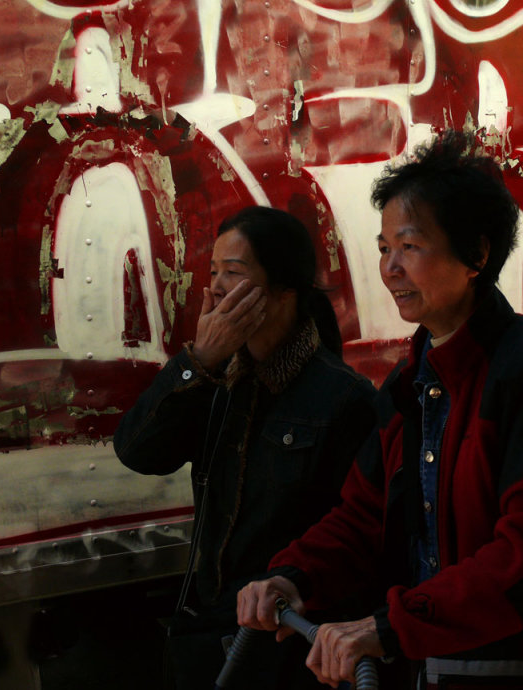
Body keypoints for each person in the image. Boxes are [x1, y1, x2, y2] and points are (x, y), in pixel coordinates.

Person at [237, 131, 523, 689]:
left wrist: (395, 625)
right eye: (385, 247)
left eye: (409, 246)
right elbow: (363, 517)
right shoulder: (406, 386)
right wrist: (293, 575)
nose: (389, 267)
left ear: (477, 255)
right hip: (442, 667)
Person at [113, 206, 376, 689]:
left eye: (233, 273)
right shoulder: (218, 381)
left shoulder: (344, 398)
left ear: (283, 289)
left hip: (288, 645)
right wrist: (200, 360)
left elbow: (362, 534)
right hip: (211, 634)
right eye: (213, 272)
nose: (214, 287)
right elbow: (137, 451)